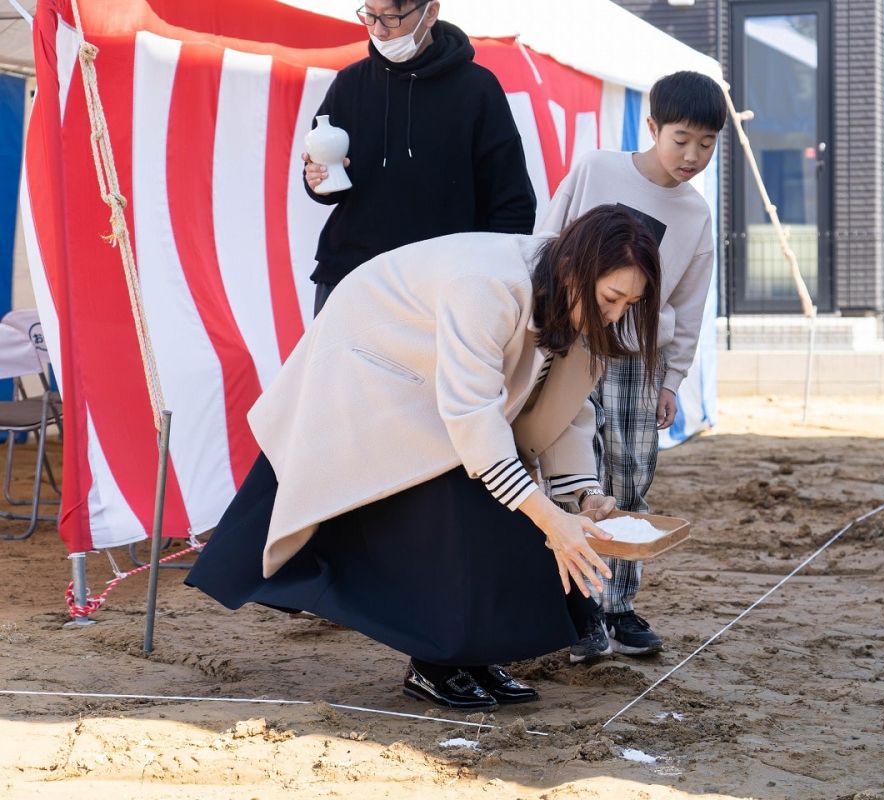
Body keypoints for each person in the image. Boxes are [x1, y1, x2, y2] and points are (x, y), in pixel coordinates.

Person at [187, 205, 661, 710]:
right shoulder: (486, 285)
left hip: (435, 390)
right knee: (457, 518)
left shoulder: (572, 298)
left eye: (629, 304)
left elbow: (565, 407)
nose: (614, 315)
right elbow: (473, 414)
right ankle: (436, 664)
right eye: (611, 298)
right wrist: (548, 518)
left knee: (502, 512)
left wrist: (581, 495)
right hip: (371, 369)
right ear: (575, 268)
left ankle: (472, 656)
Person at [537, 71, 726, 662]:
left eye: (706, 144)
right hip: (571, 341)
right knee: (571, 475)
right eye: (681, 139)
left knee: (630, 477)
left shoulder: (695, 215)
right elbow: (548, 237)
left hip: (637, 359)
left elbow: (689, 305)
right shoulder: (598, 168)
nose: (692, 155)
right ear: (652, 127)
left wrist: (671, 380)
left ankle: (619, 606)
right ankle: (579, 611)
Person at [301, 0, 536, 314]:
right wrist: (319, 180)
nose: (378, 30)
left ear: (431, 12)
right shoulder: (349, 84)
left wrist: (488, 284)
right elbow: (327, 180)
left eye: (392, 17)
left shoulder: (477, 89)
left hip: (441, 289)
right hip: (350, 277)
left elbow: (513, 204)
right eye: (369, 15)